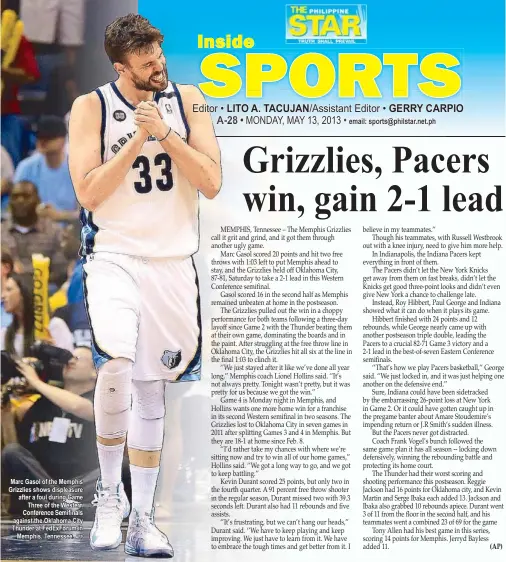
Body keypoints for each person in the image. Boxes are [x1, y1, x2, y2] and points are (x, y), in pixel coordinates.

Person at [68, 13, 221, 557]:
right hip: (115, 256)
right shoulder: (90, 107)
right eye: (146, 61)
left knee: (152, 389)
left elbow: (211, 180)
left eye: (159, 55)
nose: (158, 64)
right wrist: (137, 137)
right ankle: (108, 501)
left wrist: (166, 134)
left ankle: (143, 520)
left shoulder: (191, 99)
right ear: (120, 67)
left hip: (175, 262)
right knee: (115, 366)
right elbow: (88, 193)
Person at [1, 346, 131, 517]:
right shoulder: (41, 404)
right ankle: (61, 504)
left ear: (96, 372)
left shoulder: (103, 399)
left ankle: (58, 505)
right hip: (43, 484)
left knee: (121, 465)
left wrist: (37, 382)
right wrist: (5, 412)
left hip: (81, 485)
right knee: (11, 452)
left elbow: (81, 407)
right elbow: (18, 450)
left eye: (77, 358)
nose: (69, 361)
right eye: (68, 357)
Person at [1, 181, 69, 287]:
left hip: (44, 288)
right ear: (9, 202)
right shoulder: (1, 231)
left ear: (38, 200)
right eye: (15, 196)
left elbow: (60, 272)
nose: (20, 200)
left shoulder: (54, 231)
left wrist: (27, 275)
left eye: (26, 196)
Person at [13, 115, 79, 222]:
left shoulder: (76, 168)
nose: (42, 141)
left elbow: (87, 214)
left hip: (68, 232)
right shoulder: (26, 167)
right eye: (39, 136)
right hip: (33, 230)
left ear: (63, 139)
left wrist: (60, 215)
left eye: (49, 137)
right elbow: (14, 205)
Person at [1, 1, 40, 167]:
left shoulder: (15, 37)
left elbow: (31, 75)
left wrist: (3, 70)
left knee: (9, 167)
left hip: (5, 114)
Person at [1, 273, 74, 356]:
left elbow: (72, 363)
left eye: (9, 289)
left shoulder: (53, 326)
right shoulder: (5, 334)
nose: (3, 296)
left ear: (24, 293)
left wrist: (55, 352)